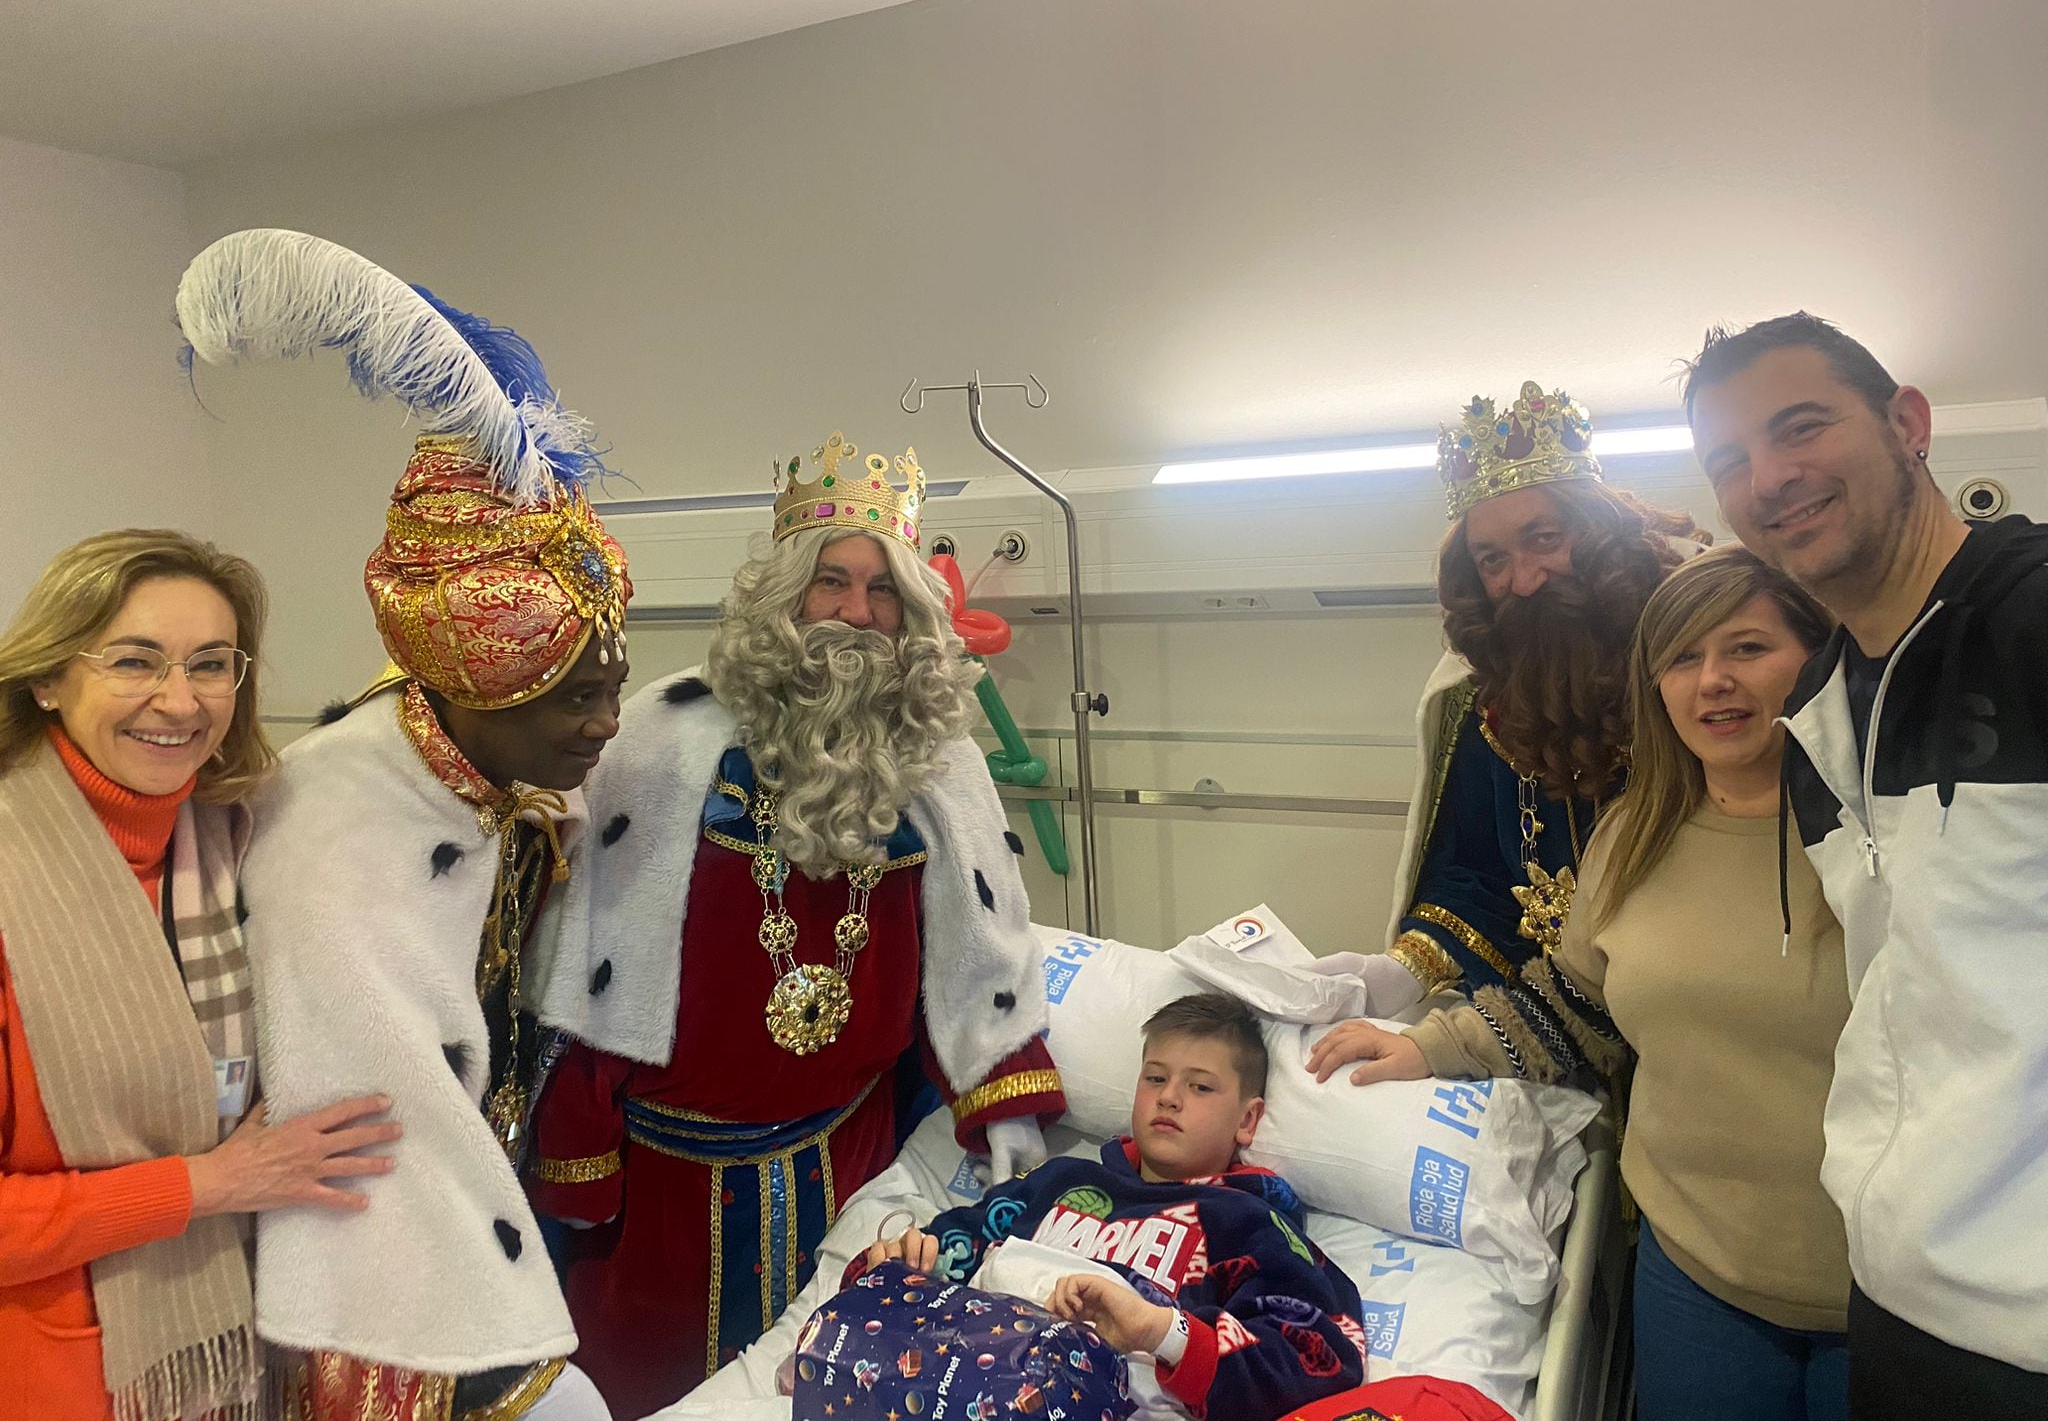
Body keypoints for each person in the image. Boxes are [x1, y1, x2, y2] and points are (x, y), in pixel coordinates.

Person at [177, 228, 635, 1420]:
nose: (606, 727)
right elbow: (369, 1146)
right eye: (579, 700)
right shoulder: (337, 835)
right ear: (481, 692)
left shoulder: (497, 773)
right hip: (372, 1272)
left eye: (612, 688)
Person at [525, 430, 1066, 1418]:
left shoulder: (941, 764)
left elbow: (979, 952)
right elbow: (591, 944)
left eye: (881, 591)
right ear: (784, 596)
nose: (855, 614)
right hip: (663, 1200)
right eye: (831, 583)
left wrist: (1004, 1114)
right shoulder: (662, 733)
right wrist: (577, 1150)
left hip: (851, 1170)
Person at [1310, 546, 1851, 1421]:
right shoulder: (1634, 839)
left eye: (1748, 648)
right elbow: (1578, 1009)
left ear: (1817, 656)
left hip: (1876, 1288)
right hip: (1696, 1278)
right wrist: (1422, 1043)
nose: (1713, 680)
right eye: (1682, 658)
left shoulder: (1888, 841)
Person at [1682, 312, 2048, 1416]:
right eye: (1729, 462)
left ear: (1906, 425)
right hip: (1896, 1299)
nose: (1769, 478)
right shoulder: (1814, 720)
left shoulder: (2031, 622)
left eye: (1799, 428)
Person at [0, 530, 394, 1421]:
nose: (178, 701)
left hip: (240, 1331)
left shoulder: (239, 837)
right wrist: (210, 1184)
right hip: (60, 1368)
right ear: (49, 677)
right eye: (135, 660)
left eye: (210, 665)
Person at [1341, 383, 1707, 1016]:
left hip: (1691, 1009)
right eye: (1493, 560)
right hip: (1549, 1029)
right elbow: (1474, 872)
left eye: (1544, 539)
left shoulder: (1698, 654)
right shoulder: (1481, 705)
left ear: (1596, 532)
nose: (1525, 581)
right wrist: (1399, 970)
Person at [859, 991, 1367, 1421]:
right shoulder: (1061, 1179)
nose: (1169, 1097)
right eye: (1155, 1078)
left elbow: (1321, 1355)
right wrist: (898, 1265)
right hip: (956, 1385)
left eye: (1200, 1086)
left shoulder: (1250, 1222)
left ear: (1248, 1121)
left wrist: (1160, 1331)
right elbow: (950, 1247)